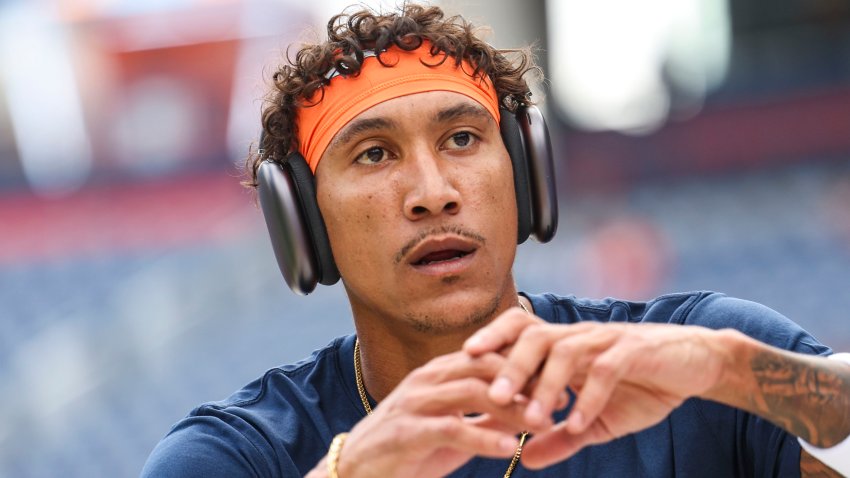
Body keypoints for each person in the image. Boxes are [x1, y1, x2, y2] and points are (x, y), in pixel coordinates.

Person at [141, 4, 850, 477]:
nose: (433, 191)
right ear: (301, 221)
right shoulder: (240, 454)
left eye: (461, 139)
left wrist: (731, 371)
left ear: (526, 174)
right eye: (374, 155)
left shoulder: (699, 358)